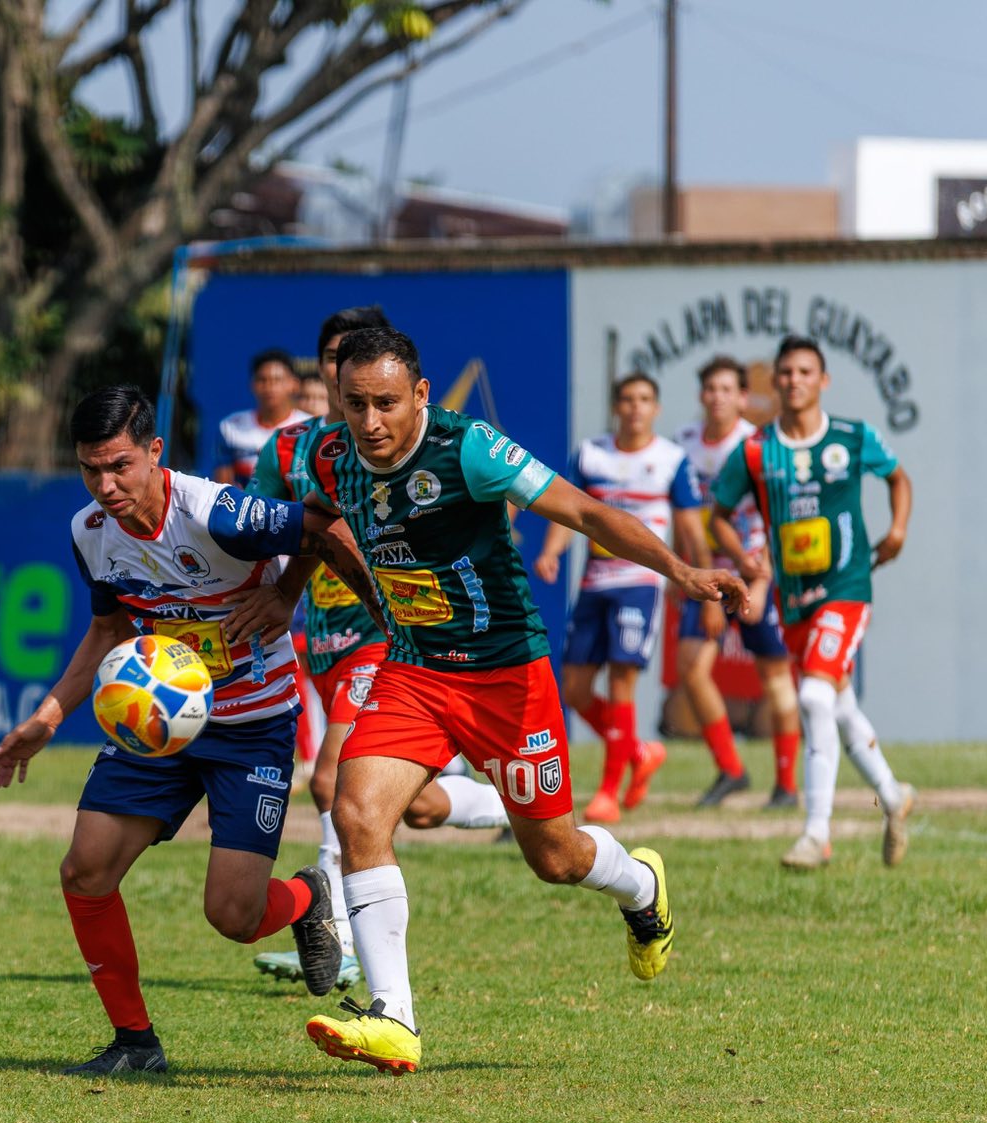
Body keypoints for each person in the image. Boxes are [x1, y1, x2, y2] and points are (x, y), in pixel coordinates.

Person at [288, 328, 745, 1074]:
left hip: (508, 675)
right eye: (354, 404)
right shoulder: (332, 457)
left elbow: (589, 516)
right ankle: (393, 1016)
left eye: (386, 404)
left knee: (556, 858)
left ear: (422, 396)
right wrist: (307, 603)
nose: (370, 422)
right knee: (354, 806)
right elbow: (320, 528)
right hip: (416, 668)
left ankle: (640, 883)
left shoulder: (470, 449)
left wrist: (682, 572)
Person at [0, 385, 379, 1077]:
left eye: (119, 466)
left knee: (231, 914)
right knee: (85, 869)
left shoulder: (218, 513)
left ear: (154, 452)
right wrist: (48, 718)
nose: (104, 486)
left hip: (254, 723)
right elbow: (107, 630)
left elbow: (326, 525)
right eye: (89, 470)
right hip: (157, 728)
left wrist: (286, 595)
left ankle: (304, 897)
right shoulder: (90, 534)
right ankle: (134, 1042)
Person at [248, 307, 511, 992]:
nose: (352, 377)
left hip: (385, 637)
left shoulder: (423, 445)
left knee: (334, 784)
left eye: (363, 364)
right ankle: (515, 805)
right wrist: (280, 596)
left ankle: (339, 933)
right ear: (328, 376)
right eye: (338, 362)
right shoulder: (294, 451)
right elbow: (304, 531)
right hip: (324, 641)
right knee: (412, 807)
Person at [707, 334, 915, 871]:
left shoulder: (851, 436)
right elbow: (719, 516)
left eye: (805, 372)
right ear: (773, 382)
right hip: (793, 599)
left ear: (823, 381)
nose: (795, 380)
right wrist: (744, 559)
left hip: (847, 586)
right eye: (786, 372)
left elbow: (898, 478)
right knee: (838, 707)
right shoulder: (755, 451)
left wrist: (896, 531)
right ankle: (892, 797)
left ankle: (816, 834)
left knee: (815, 700)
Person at [534, 373, 707, 824]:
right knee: (572, 687)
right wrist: (552, 552)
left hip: (640, 583)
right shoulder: (592, 454)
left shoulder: (671, 459)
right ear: (616, 405)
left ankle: (608, 791)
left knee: (621, 682)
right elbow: (568, 510)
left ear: (657, 408)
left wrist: (696, 576)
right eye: (627, 399)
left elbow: (690, 525)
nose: (635, 407)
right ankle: (638, 751)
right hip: (594, 584)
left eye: (644, 399)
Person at [674, 355, 801, 809]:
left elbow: (777, 512)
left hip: (752, 570)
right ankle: (731, 769)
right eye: (711, 389)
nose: (718, 397)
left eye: (728, 389)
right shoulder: (684, 443)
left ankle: (787, 785)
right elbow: (682, 513)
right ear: (701, 395)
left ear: (743, 397)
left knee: (774, 675)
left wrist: (764, 578)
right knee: (692, 668)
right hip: (706, 569)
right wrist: (680, 570)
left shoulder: (758, 443)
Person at [213, 348, 311, 486]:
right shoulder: (230, 426)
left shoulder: (310, 427)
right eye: (262, 380)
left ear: (294, 384)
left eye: (277, 380)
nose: (269, 387)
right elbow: (222, 487)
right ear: (252, 384)